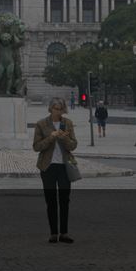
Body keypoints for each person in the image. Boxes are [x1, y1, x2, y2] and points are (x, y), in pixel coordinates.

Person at [32, 97, 77, 244]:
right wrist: (51, 137)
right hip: (48, 166)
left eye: (61, 109)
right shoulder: (41, 124)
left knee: (64, 200)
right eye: (56, 108)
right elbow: (36, 147)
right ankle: (53, 233)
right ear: (50, 108)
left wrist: (64, 139)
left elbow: (73, 145)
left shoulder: (67, 123)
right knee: (51, 201)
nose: (58, 112)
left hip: (64, 166)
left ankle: (64, 233)